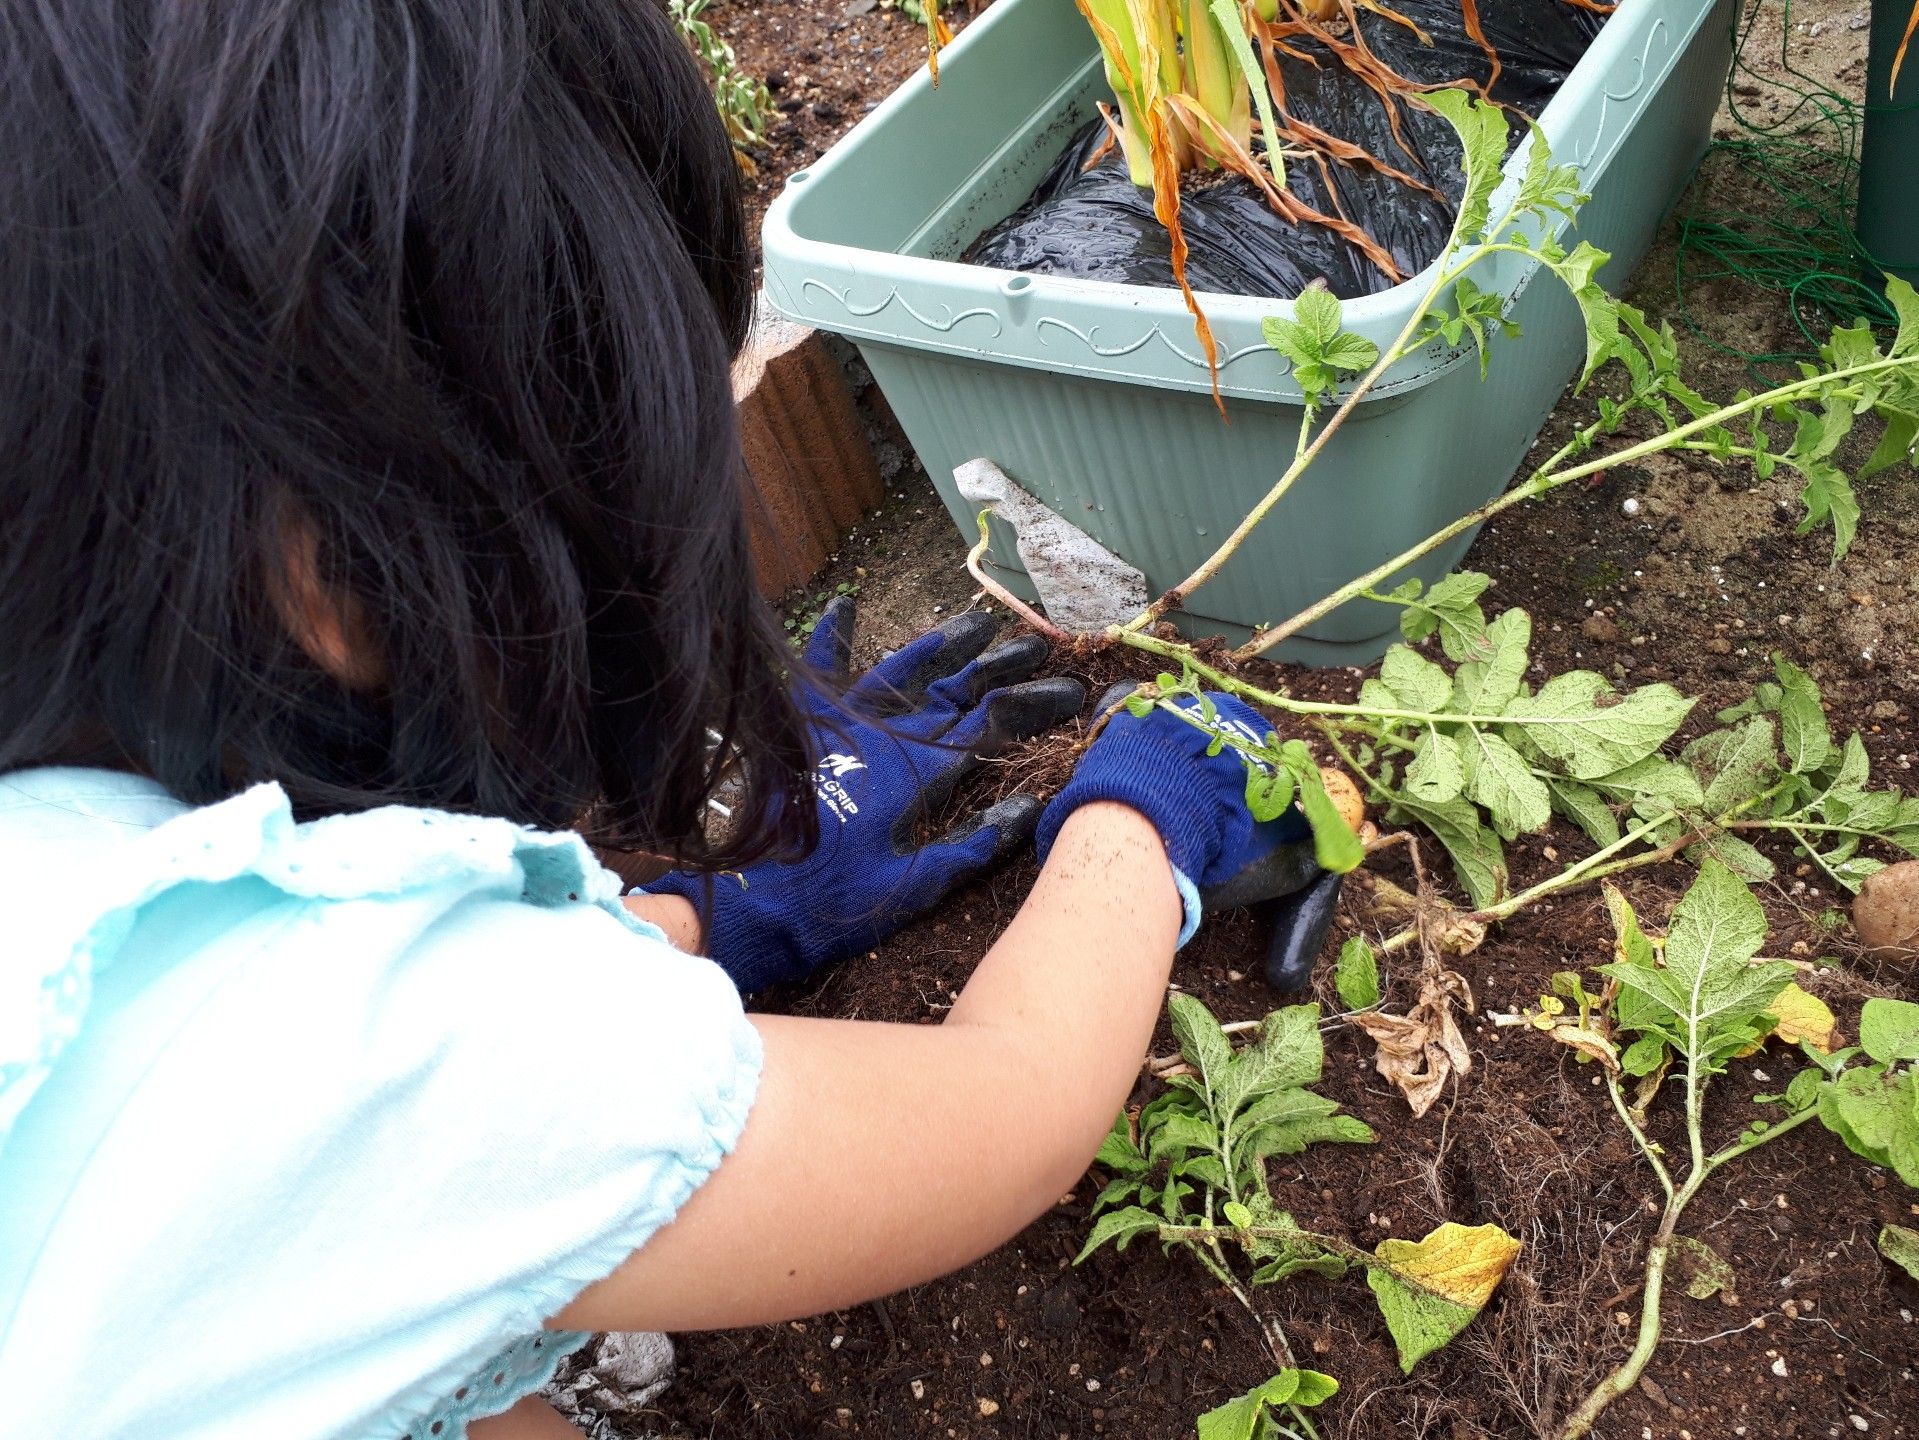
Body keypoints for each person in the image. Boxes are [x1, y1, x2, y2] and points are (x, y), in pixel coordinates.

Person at [0, 4, 1312, 1436]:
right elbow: (1008, 1111)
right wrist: (1141, 826)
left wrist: (697, 924)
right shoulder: (364, 1072)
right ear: (345, 573)